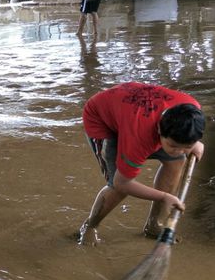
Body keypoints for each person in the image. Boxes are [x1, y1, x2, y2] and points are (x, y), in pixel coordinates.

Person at [78, 82, 205, 245]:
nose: (179, 150)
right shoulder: (139, 138)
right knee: (117, 188)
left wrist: (193, 144)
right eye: (173, 145)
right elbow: (122, 183)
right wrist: (164, 196)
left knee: (176, 161)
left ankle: (153, 224)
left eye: (186, 146)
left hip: (132, 109)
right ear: (159, 130)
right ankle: (89, 226)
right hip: (103, 120)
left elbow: (184, 142)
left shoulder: (192, 112)